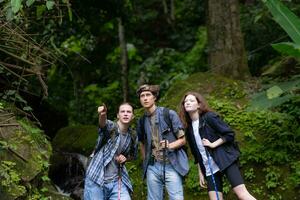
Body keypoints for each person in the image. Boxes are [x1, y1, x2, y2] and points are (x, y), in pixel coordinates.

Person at [179, 91, 256, 200]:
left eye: (191, 100)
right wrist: (201, 172)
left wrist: (213, 144)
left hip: (225, 159)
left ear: (199, 105)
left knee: (242, 194)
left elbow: (229, 134)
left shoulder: (209, 117)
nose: (187, 103)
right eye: (185, 101)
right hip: (209, 167)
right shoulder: (189, 128)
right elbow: (197, 154)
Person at [136, 84, 189, 200]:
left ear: (154, 97)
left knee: (177, 198)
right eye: (142, 96)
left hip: (171, 164)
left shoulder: (168, 114)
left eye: (148, 95)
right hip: (152, 166)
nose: (145, 98)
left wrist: (169, 145)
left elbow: (183, 140)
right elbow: (142, 142)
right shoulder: (141, 121)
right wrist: (146, 160)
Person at [84, 102, 137, 200]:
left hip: (116, 181)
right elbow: (103, 124)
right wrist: (103, 115)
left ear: (132, 116)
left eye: (128, 112)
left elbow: (132, 155)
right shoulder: (112, 127)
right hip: (96, 178)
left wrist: (125, 158)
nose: (125, 114)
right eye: (123, 111)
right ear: (118, 115)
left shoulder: (132, 135)